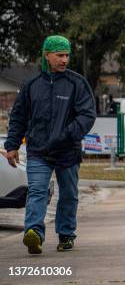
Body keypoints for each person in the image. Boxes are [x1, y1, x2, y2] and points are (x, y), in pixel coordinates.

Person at [4, 35, 96, 254]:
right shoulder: (32, 85)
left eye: (67, 55)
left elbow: (87, 115)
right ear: (47, 55)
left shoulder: (77, 83)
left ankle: (65, 235)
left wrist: (67, 135)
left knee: (68, 194)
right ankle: (34, 233)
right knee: (37, 190)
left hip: (68, 151)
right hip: (38, 151)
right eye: (60, 55)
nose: (65, 60)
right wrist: (12, 146)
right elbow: (18, 117)